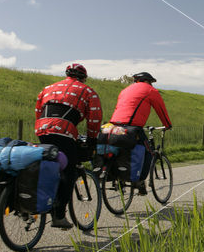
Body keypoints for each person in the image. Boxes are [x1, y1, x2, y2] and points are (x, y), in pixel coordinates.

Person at [35, 63, 102, 229]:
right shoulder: (87, 91)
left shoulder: (48, 87)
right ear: (83, 77)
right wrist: (92, 140)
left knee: (51, 163)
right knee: (69, 171)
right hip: (64, 130)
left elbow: (38, 110)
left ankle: (46, 197)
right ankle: (58, 216)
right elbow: (94, 118)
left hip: (42, 128)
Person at [109, 72, 172, 195]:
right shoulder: (150, 91)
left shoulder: (125, 90)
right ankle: (140, 181)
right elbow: (160, 109)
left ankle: (119, 176)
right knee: (148, 152)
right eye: (151, 82)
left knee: (123, 150)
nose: (151, 85)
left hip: (114, 126)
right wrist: (167, 125)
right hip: (132, 128)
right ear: (147, 81)